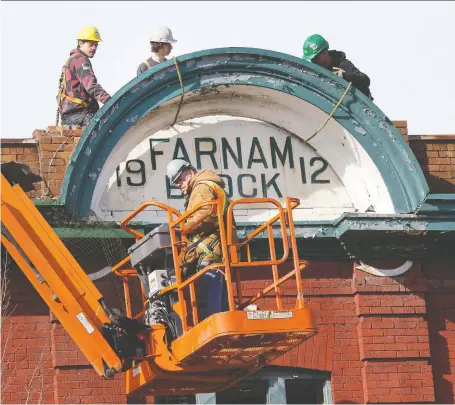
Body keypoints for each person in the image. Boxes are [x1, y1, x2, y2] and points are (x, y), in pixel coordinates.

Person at [166, 159, 230, 322]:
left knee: (209, 306)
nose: (180, 185)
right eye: (176, 183)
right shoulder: (204, 187)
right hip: (214, 250)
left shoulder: (201, 187)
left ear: (190, 172)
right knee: (220, 307)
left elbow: (205, 215)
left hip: (210, 252)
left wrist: (182, 228)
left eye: (181, 179)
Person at [57, 26, 111, 128]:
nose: (94, 48)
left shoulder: (72, 59)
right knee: (106, 129)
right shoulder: (80, 60)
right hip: (78, 115)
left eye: (96, 45)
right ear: (80, 43)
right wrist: (110, 101)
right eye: (91, 44)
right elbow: (91, 86)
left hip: (70, 116)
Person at [302, 34, 373, 100]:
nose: (314, 62)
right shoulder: (316, 69)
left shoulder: (343, 64)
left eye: (316, 58)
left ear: (325, 52)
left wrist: (345, 76)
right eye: (312, 59)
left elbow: (365, 80)